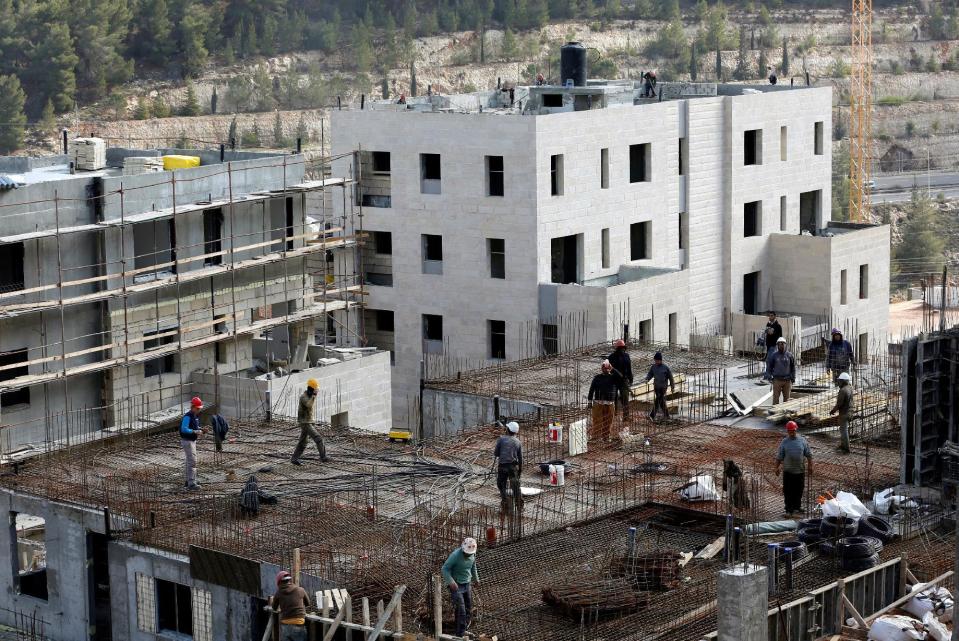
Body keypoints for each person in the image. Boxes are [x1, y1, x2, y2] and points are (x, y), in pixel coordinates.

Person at [442, 538, 479, 637]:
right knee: (461, 609)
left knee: (468, 608)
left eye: (470, 554)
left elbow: (473, 566)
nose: (468, 555)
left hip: (467, 583)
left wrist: (476, 579)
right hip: (456, 585)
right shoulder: (455, 555)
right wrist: (451, 582)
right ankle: (460, 634)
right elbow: (445, 568)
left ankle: (463, 629)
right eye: (467, 553)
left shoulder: (472, 553)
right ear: (463, 549)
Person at [775, 421, 813, 517]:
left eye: (793, 430)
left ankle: (797, 507)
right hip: (788, 471)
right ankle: (789, 509)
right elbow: (780, 456)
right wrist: (776, 467)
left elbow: (809, 454)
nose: (792, 432)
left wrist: (810, 466)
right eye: (790, 431)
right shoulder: (784, 442)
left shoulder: (802, 441)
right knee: (788, 491)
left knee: (799, 490)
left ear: (796, 430)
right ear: (787, 431)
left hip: (800, 471)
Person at [292, 379, 329, 465]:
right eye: (315, 389)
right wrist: (314, 396)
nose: (317, 390)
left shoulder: (309, 396)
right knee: (318, 439)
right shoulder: (304, 397)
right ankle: (323, 457)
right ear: (311, 389)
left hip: (307, 422)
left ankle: (294, 459)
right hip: (305, 423)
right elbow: (309, 405)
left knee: (303, 442)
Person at [271, 571, 311, 641]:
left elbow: (274, 607)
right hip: (299, 623)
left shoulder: (278, 593)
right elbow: (308, 604)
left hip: (285, 625)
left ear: (279, 582)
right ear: (290, 580)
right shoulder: (300, 590)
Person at [493, 421, 523, 511]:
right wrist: (520, 470)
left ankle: (505, 502)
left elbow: (496, 453)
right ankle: (519, 505)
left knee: (501, 485)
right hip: (513, 467)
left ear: (508, 430)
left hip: (502, 467)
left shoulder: (501, 439)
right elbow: (520, 458)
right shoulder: (518, 442)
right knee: (516, 486)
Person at [587, 360, 619, 441]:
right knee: (597, 421)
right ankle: (595, 437)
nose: (606, 370)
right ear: (602, 368)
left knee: (608, 421)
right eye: (605, 368)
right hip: (598, 403)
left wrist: (613, 369)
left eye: (608, 368)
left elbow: (620, 377)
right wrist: (590, 402)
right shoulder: (597, 378)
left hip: (610, 403)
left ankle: (606, 437)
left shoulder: (613, 378)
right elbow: (591, 390)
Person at [180, 396, 206, 490]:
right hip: (187, 441)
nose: (199, 410)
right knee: (192, 461)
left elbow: (196, 427)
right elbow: (184, 429)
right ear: (193, 407)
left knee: (189, 461)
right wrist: (194, 432)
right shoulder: (188, 416)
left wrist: (201, 430)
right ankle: (191, 483)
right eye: (198, 408)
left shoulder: (195, 416)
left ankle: (190, 480)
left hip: (192, 440)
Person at [643, 352, 675, 421]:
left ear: (661, 360)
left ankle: (652, 415)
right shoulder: (653, 367)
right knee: (661, 401)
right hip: (656, 387)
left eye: (657, 360)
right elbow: (650, 374)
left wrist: (672, 387)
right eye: (655, 360)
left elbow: (671, 378)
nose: (656, 362)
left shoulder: (665, 368)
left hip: (663, 387)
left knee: (658, 400)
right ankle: (667, 415)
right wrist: (647, 379)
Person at [607, 339, 634, 419]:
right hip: (614, 380)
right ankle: (613, 415)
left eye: (623, 348)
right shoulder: (611, 357)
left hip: (623, 380)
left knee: (625, 398)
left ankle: (626, 417)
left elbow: (629, 368)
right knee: (613, 398)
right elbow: (608, 368)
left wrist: (630, 378)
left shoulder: (626, 356)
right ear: (618, 348)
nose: (622, 349)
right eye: (620, 348)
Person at [830, 372, 854, 454]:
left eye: (840, 381)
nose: (838, 383)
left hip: (844, 413)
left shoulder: (843, 391)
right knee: (843, 429)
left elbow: (839, 404)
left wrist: (833, 411)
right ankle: (843, 445)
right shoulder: (850, 388)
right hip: (850, 411)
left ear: (843, 381)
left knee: (844, 431)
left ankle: (846, 449)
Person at [767, 337, 796, 405]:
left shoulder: (789, 355)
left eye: (782, 344)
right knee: (776, 399)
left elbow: (793, 367)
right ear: (777, 345)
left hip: (787, 381)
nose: (781, 345)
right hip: (777, 380)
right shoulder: (774, 355)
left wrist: (793, 378)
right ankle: (774, 413)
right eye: (779, 344)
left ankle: (785, 413)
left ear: (785, 345)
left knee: (787, 400)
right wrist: (769, 376)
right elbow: (769, 367)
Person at [763, 311, 783, 380]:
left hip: (774, 345)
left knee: (768, 360)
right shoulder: (768, 324)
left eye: (771, 316)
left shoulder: (778, 326)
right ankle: (773, 375)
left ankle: (767, 376)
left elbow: (780, 337)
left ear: (774, 316)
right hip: (768, 345)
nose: (770, 317)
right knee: (772, 361)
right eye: (769, 316)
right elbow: (767, 333)